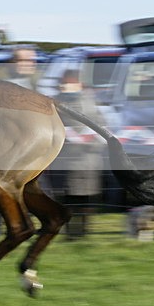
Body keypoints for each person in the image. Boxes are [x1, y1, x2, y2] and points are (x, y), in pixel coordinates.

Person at [48, 69, 106, 239]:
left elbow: (102, 126)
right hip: (64, 159)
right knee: (66, 198)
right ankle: (70, 233)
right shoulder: (54, 103)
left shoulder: (91, 103)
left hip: (87, 159)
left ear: (79, 84)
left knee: (86, 199)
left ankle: (82, 232)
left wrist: (93, 145)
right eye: (64, 82)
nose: (65, 86)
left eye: (70, 83)